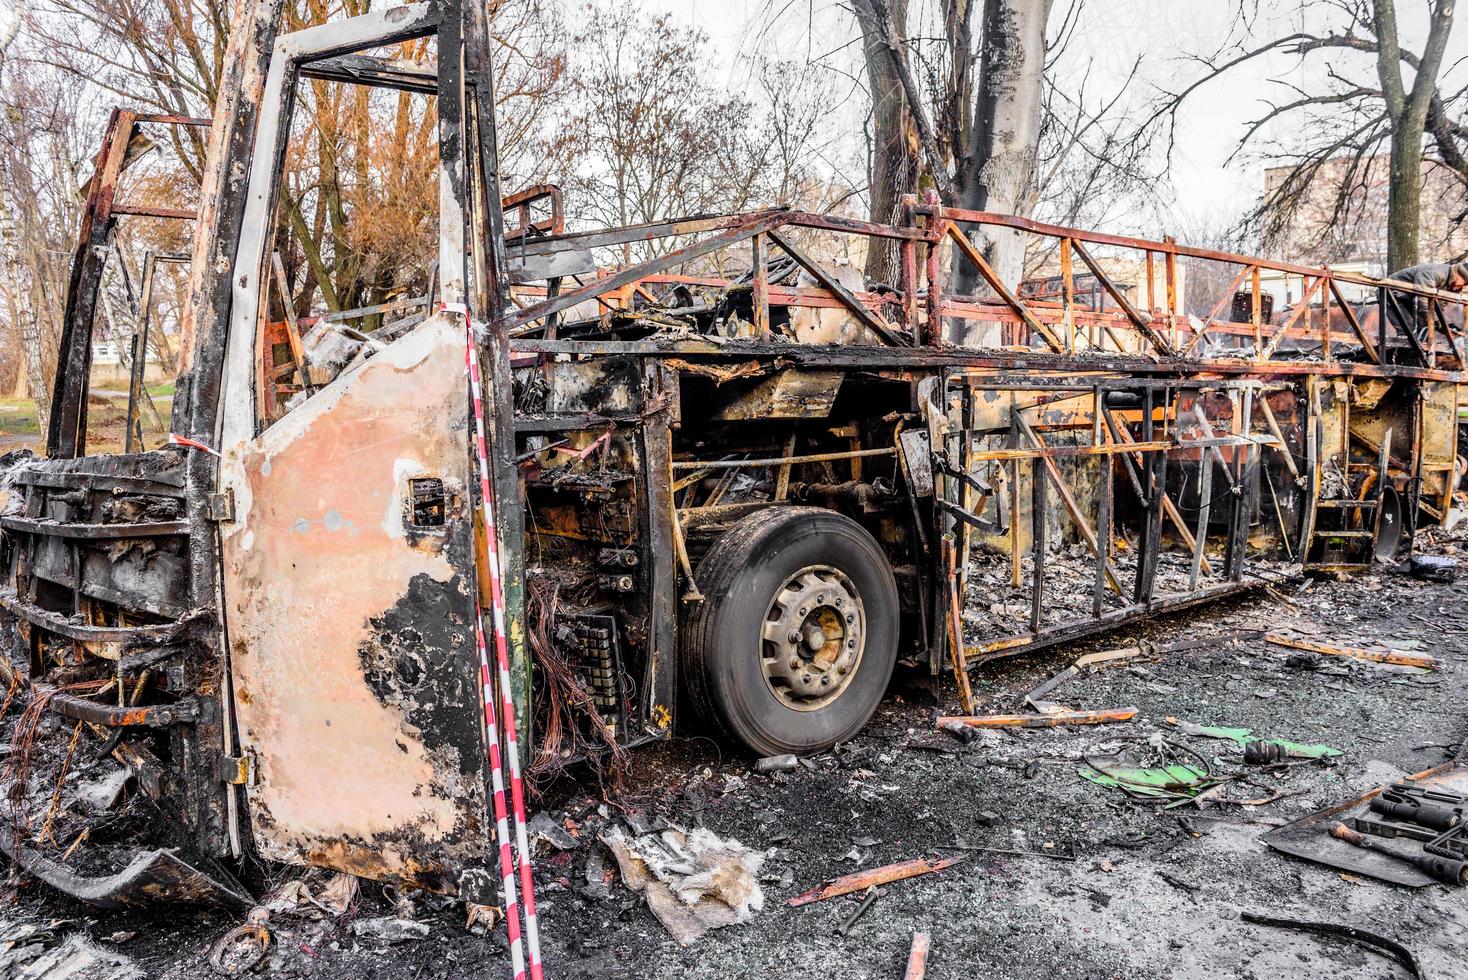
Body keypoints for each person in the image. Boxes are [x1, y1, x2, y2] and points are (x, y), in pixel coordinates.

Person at [1382, 259, 1468, 348]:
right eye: (1465, 283)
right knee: (1408, 331)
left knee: (1424, 332)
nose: (1463, 286)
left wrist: (1447, 325)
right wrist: (1436, 321)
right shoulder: (1436, 273)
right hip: (1392, 292)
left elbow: (1437, 308)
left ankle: (1420, 357)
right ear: (1458, 274)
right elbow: (1422, 299)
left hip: (1411, 299)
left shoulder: (1449, 285)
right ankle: (1401, 356)